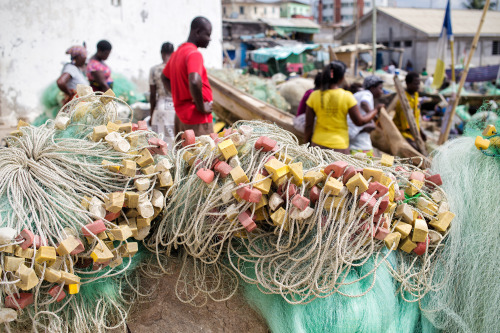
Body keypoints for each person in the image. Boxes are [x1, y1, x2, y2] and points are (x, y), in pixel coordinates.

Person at [304, 61, 379, 154]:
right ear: (342, 78)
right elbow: (360, 121)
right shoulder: (347, 96)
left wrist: (306, 146)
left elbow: (308, 126)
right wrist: (375, 110)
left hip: (318, 146)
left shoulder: (314, 96)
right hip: (339, 147)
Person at [162, 16, 214, 137]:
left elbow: (164, 77)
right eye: (207, 34)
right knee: (203, 154)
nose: (209, 39)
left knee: (184, 155)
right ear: (197, 32)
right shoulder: (194, 54)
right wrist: (201, 107)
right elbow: (194, 81)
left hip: (181, 116)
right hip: (197, 119)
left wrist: (179, 94)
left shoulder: (177, 53)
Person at [347, 75, 385, 157]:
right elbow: (364, 103)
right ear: (372, 88)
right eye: (380, 88)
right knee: (368, 163)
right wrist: (373, 114)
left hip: (352, 135)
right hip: (358, 140)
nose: (382, 92)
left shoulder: (359, 94)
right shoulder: (367, 94)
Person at [149, 42, 176, 148]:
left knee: (159, 140)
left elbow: (152, 95)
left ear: (161, 53)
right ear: (173, 53)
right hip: (175, 107)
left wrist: (151, 115)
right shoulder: (177, 68)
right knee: (174, 140)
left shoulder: (154, 70)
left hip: (160, 106)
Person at [393, 71, 426, 152]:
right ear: (408, 84)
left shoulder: (415, 95)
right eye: (415, 84)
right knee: (416, 150)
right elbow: (406, 126)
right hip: (404, 132)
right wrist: (416, 137)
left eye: (419, 83)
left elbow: (417, 116)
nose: (418, 86)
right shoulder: (404, 101)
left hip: (415, 132)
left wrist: (421, 131)